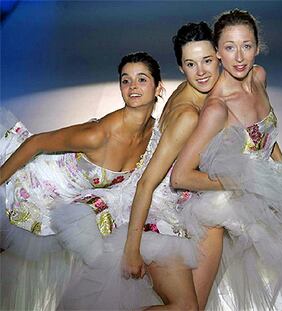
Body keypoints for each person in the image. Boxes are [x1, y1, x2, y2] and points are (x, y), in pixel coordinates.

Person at [56, 22, 221, 310]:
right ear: (181, 68)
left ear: (218, 55)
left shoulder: (192, 89)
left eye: (207, 61)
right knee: (186, 307)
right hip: (155, 214)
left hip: (168, 208)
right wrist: (132, 250)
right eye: (191, 64)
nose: (202, 71)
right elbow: (149, 183)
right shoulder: (188, 115)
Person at [0, 51, 163, 310]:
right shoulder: (97, 134)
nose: (133, 87)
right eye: (125, 80)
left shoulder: (156, 134)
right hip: (29, 184)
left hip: (61, 203)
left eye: (142, 79)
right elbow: (36, 143)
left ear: (158, 87)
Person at [172, 9, 282, 310]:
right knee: (194, 304)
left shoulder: (259, 76)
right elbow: (180, 176)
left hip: (268, 190)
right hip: (221, 208)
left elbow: (265, 137)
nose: (239, 56)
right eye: (229, 47)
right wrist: (242, 182)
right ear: (218, 53)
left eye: (246, 45)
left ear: (258, 47)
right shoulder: (217, 108)